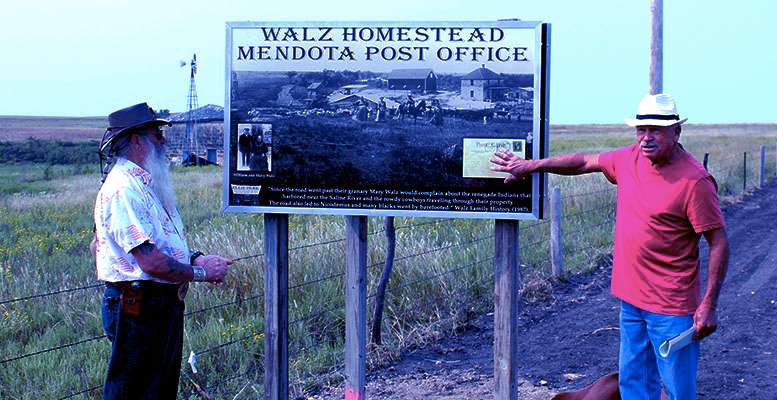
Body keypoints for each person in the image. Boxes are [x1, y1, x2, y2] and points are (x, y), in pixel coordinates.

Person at [491, 94, 729, 399]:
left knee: (677, 391)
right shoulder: (628, 159)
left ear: (676, 132)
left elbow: (719, 243)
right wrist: (532, 165)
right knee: (633, 385)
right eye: (641, 130)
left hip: (672, 308)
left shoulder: (694, 182)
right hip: (631, 300)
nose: (646, 137)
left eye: (655, 130)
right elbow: (583, 162)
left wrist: (708, 304)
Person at [93, 102, 233, 399]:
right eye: (156, 133)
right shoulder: (123, 190)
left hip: (156, 304)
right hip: (137, 305)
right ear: (135, 139)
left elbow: (162, 244)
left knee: (157, 390)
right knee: (134, 393)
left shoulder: (144, 184)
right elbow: (150, 261)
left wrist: (196, 258)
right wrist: (202, 273)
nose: (163, 140)